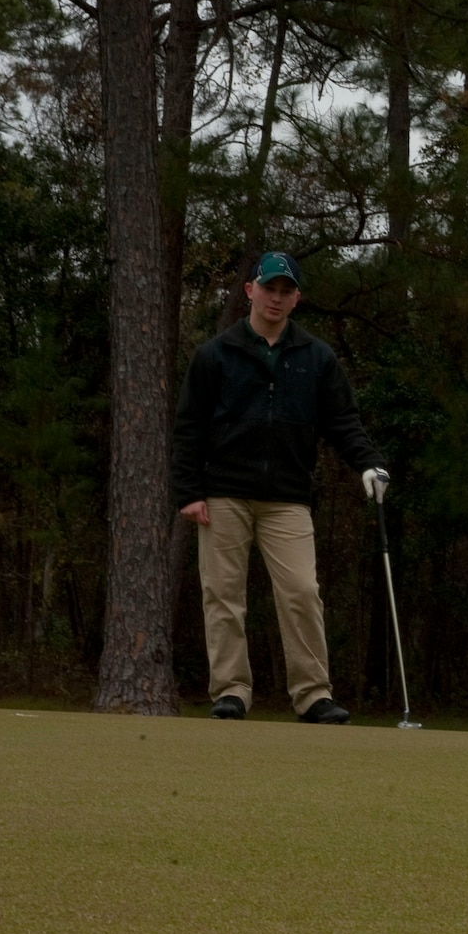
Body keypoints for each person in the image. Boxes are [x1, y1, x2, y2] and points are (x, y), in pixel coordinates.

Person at [171, 252, 391, 724]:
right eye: (268, 288)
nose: (276, 297)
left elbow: (343, 422)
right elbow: (189, 427)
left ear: (296, 298)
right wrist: (188, 490)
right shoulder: (215, 354)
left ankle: (313, 695)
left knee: (300, 591)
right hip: (224, 492)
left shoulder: (316, 358)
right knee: (224, 594)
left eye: (285, 290)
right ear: (250, 290)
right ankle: (232, 691)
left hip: (288, 496)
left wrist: (369, 465)